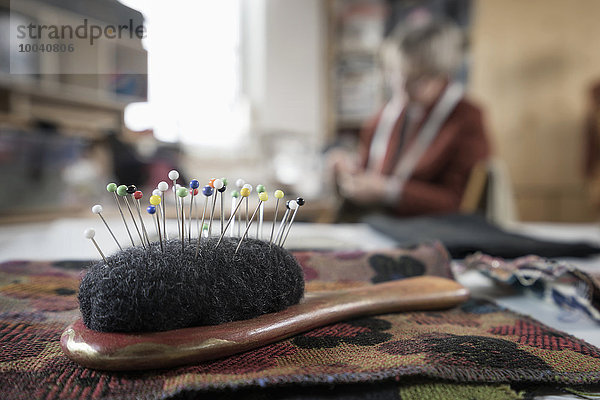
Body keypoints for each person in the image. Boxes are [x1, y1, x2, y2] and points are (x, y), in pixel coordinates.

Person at [331, 18, 490, 220]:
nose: (401, 87)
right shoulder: (387, 114)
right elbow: (367, 171)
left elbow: (458, 203)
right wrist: (346, 171)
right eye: (396, 74)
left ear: (441, 75)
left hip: (427, 231)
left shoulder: (466, 118)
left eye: (415, 78)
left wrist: (387, 190)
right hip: (375, 225)